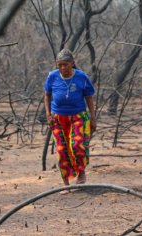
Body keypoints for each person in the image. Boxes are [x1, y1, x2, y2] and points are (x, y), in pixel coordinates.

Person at [44, 49, 96, 195]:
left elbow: (89, 97)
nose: (62, 68)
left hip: (78, 116)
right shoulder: (52, 77)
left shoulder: (81, 77)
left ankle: (81, 172)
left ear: (72, 64)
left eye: (65, 65)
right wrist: (48, 114)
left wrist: (93, 117)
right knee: (61, 149)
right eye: (59, 65)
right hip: (58, 119)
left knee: (78, 145)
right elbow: (47, 95)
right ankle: (66, 184)